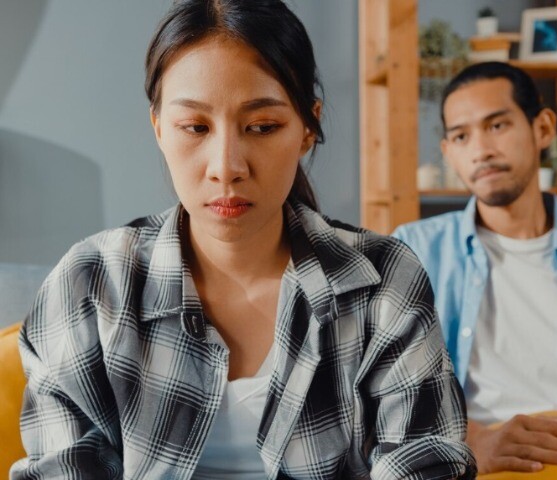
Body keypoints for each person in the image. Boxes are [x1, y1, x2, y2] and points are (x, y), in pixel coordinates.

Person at [10, 1, 476, 478]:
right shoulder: (89, 285)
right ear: (159, 128)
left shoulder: (383, 280)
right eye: (195, 127)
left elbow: (423, 461)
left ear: (307, 128)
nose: (227, 166)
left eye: (262, 127)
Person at [393, 61, 557, 479]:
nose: (481, 150)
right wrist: (471, 441)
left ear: (543, 128)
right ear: (448, 152)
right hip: (482, 459)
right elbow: (387, 392)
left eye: (497, 126)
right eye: (461, 136)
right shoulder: (413, 249)